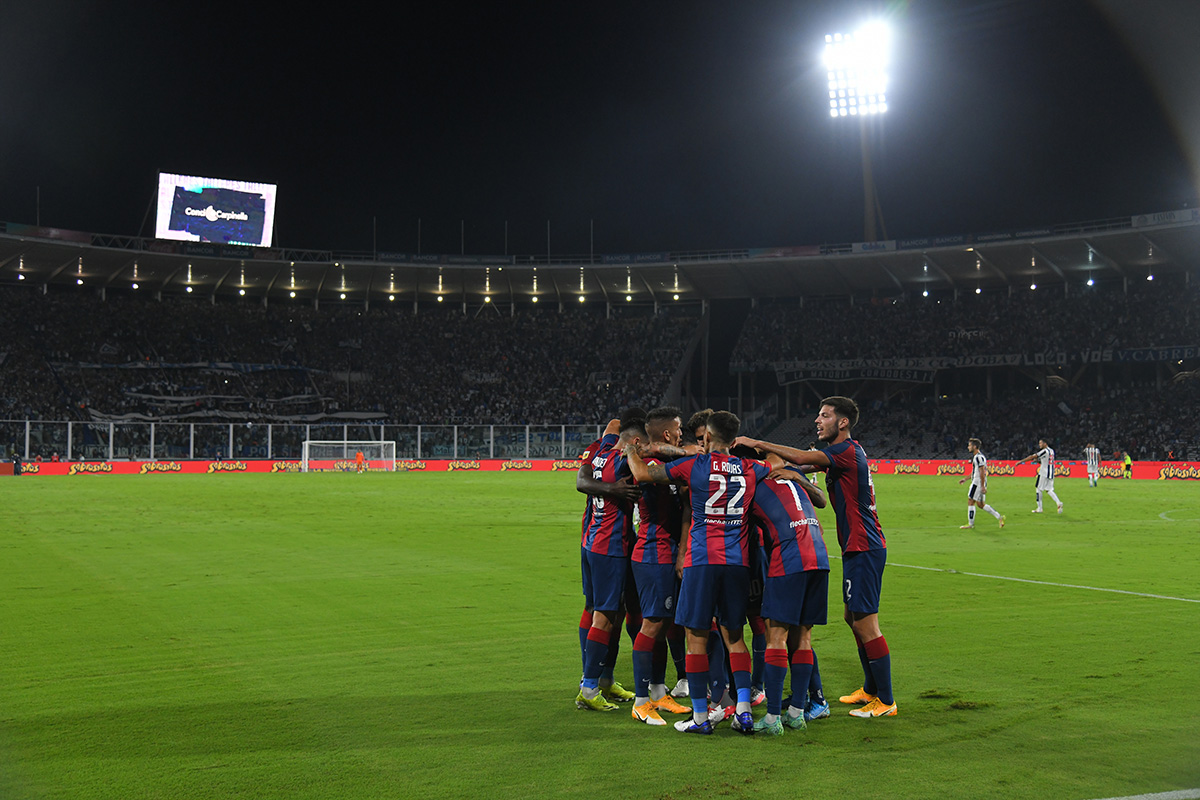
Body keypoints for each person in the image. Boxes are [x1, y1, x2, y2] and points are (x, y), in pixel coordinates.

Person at [736, 395, 897, 719]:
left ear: (843, 422)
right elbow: (798, 465)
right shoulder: (846, 453)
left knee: (867, 624)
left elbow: (799, 457)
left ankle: (887, 700)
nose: (817, 421)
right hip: (857, 546)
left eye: (824, 416)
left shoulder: (844, 450)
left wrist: (756, 441)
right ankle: (870, 688)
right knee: (852, 618)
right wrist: (791, 472)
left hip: (864, 546)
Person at [626, 410, 771, 735]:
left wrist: (633, 451)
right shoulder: (751, 468)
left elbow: (645, 474)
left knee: (697, 636)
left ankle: (702, 717)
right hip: (737, 562)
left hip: (702, 560)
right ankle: (744, 711)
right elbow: (776, 464)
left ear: (705, 438)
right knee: (735, 636)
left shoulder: (695, 466)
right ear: (734, 440)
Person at [744, 457, 831, 735]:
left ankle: (772, 718)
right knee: (803, 637)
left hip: (789, 557)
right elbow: (820, 500)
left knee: (776, 637)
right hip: (819, 554)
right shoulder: (792, 473)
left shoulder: (751, 483)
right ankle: (796, 712)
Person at [575, 411, 645, 711]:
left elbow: (611, 428)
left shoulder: (602, 451)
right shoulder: (624, 462)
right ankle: (588, 688)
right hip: (610, 546)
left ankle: (603, 680)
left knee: (605, 610)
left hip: (591, 541)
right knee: (604, 614)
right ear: (636, 442)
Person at [627, 406, 692, 725]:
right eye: (678, 428)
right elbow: (639, 474)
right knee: (652, 624)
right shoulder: (649, 465)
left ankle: (656, 690)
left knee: (664, 624)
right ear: (667, 433)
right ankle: (641, 701)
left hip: (666, 552)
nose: (682, 434)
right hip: (653, 553)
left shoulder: (670, 461)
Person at [958, 438, 1005, 529]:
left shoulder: (978, 457)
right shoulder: (978, 457)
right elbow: (975, 472)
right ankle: (999, 517)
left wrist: (982, 486)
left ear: (974, 447)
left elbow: (982, 472)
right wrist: (965, 479)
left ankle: (970, 524)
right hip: (979, 482)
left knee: (970, 501)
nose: (968, 447)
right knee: (980, 504)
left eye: (970, 445)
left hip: (977, 483)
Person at [1016, 439, 1063, 514]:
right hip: (1051, 473)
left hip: (1044, 473)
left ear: (1045, 443)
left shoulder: (1044, 451)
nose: (1039, 445)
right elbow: (1044, 461)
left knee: (1038, 489)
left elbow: (1032, 456)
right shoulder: (1051, 451)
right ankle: (1058, 503)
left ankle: (1039, 508)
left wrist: (1021, 461)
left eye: (1040, 443)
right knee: (1049, 490)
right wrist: (1037, 461)